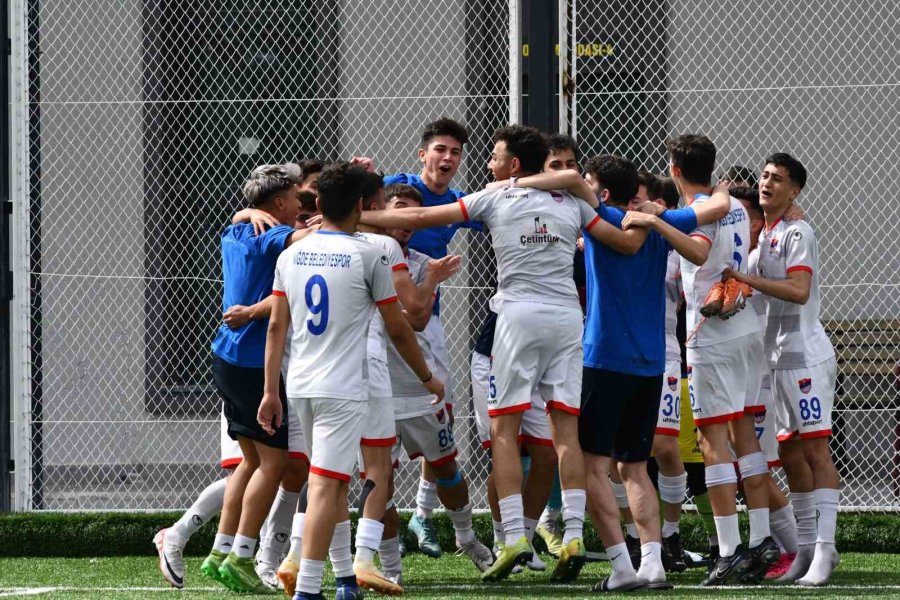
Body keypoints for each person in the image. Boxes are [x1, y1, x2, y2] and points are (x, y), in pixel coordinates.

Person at [360, 125, 648, 584]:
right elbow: (623, 241)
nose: (488, 165)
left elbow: (416, 220)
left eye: (494, 158)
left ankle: (514, 535)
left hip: (517, 317)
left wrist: (348, 221)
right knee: (566, 431)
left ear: (514, 164)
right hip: (568, 320)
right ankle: (573, 533)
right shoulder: (573, 203)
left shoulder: (492, 197)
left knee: (505, 428)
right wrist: (645, 217)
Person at [258, 163, 444, 600]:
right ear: (363, 206)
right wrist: (427, 377)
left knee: (334, 481)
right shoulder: (371, 253)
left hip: (300, 384)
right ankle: (307, 588)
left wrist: (270, 391)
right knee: (327, 483)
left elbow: (275, 328)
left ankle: (344, 579)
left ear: (318, 205)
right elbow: (399, 326)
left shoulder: (290, 254)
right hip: (344, 388)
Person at [622, 134, 780, 586]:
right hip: (745, 326)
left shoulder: (697, 211)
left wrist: (656, 224)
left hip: (711, 332)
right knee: (743, 435)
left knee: (713, 441)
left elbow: (697, 250)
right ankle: (761, 540)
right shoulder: (725, 202)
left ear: (673, 168)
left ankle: (729, 549)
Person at [724, 153, 840, 586]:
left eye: (778, 179)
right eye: (765, 176)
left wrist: (745, 280)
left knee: (815, 452)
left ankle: (826, 552)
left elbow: (798, 289)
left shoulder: (798, 231)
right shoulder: (763, 239)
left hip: (805, 357)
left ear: (795, 192)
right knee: (790, 455)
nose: (767, 183)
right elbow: (750, 298)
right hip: (775, 361)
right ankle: (805, 550)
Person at [200, 164, 314, 594]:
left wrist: (243, 213)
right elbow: (308, 238)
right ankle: (243, 557)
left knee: (248, 463)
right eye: (294, 195)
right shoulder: (271, 238)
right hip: (251, 363)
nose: (300, 201)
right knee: (274, 463)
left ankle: (219, 552)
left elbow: (241, 218)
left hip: (225, 359)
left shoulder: (236, 232)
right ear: (279, 202)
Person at [383, 118, 481, 553]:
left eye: (455, 153)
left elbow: (503, 215)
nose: (447, 158)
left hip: (425, 321)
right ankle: (373, 547)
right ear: (423, 154)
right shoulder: (394, 189)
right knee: (376, 451)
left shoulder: (459, 203)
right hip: (380, 326)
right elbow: (334, 201)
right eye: (440, 149)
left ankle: (422, 518)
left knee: (444, 418)